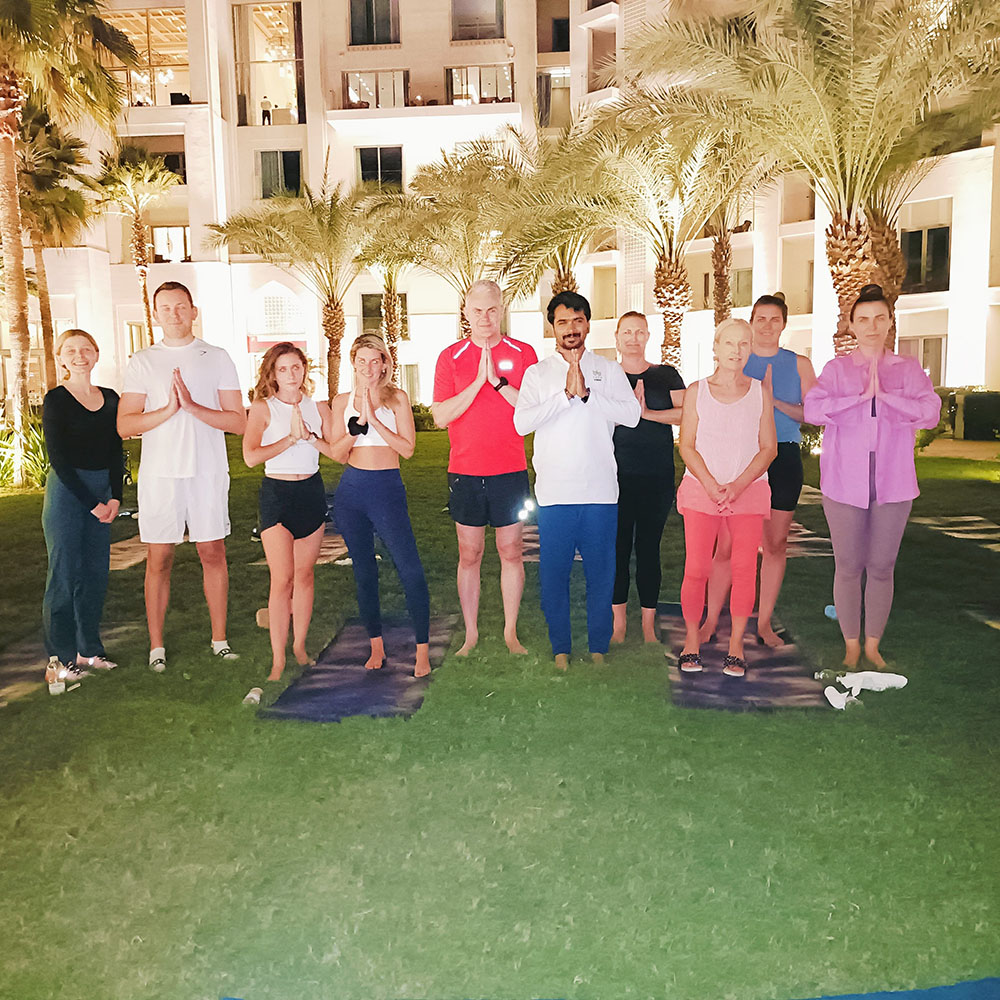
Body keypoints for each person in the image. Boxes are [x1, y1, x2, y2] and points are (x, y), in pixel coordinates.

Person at [803, 283, 941, 670]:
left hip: (893, 482)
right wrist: (860, 398)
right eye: (863, 319)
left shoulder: (907, 369)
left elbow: (930, 412)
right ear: (852, 325)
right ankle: (851, 645)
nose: (872, 326)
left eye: (880, 318)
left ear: (890, 322)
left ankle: (873, 645)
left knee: (881, 566)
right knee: (848, 565)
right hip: (844, 482)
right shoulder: (837, 370)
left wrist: (887, 397)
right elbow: (814, 409)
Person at [118, 281, 247, 673]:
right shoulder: (143, 361)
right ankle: (156, 646)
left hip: (207, 470)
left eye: (180, 306)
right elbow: (125, 425)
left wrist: (191, 407)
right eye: (165, 308)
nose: (173, 314)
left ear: (193, 311)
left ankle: (220, 640)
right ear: (155, 315)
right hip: (160, 474)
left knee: (212, 552)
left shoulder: (217, 357)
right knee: (159, 557)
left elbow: (238, 422)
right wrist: (169, 410)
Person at [513, 291, 640, 669]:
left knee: (602, 574)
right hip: (555, 495)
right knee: (554, 576)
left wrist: (588, 395)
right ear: (553, 327)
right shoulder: (537, 374)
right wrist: (564, 396)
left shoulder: (608, 370)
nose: (571, 328)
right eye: (563, 322)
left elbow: (632, 415)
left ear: (588, 324)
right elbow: (522, 423)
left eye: (578, 320)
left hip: (600, 493)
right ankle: (561, 649)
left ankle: (598, 646)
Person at [699, 292, 817, 647]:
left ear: (784, 324)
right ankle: (710, 620)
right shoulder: (739, 358)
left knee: (775, 544)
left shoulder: (799, 364)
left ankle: (764, 624)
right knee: (727, 545)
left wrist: (771, 399)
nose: (767, 326)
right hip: (742, 458)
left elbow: (813, 414)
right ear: (751, 323)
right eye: (760, 319)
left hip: (783, 456)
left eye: (774, 319)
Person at [432, 279, 538, 656]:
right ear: (466, 312)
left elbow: (533, 411)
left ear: (502, 309)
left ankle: (510, 632)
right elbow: (440, 416)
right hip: (465, 470)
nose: (485, 318)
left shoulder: (523, 353)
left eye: (492, 310)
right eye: (477, 311)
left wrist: (496, 383)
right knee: (469, 553)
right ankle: (471, 633)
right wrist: (478, 382)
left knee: (511, 550)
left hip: (509, 469)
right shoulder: (451, 357)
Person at [676, 318, 777, 677]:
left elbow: (769, 448)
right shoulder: (697, 391)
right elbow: (687, 445)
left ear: (751, 349)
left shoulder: (760, 393)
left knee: (744, 569)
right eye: (729, 343)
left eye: (744, 343)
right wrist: (709, 484)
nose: (736, 350)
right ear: (716, 348)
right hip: (701, 490)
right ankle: (692, 640)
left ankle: (736, 644)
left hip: (747, 491)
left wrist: (737, 485)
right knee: (696, 568)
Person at [330, 335, 431, 677]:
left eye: (376, 361)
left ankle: (422, 650)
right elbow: (336, 453)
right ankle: (376, 645)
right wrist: (355, 429)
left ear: (385, 363)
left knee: (409, 568)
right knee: (364, 571)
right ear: (353, 363)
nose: (369, 368)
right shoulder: (342, 401)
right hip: (352, 492)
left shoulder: (397, 398)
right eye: (362, 361)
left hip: (386, 489)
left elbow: (408, 449)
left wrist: (375, 420)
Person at [41, 329, 124, 686]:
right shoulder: (56, 400)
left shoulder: (111, 398)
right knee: (63, 576)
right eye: (71, 350)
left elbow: (115, 451)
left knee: (94, 576)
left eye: (86, 349)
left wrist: (115, 497)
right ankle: (59, 660)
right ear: (61, 358)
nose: (80, 356)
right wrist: (92, 504)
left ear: (96, 354)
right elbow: (58, 458)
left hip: (103, 493)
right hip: (68, 493)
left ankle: (89, 651)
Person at [242, 343, 330, 681]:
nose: (291, 374)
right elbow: (251, 456)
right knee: (282, 578)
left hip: (310, 492)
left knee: (305, 575)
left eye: (296, 367)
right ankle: (278, 659)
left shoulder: (318, 407)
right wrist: (290, 439)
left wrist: (311, 437)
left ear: (304, 369)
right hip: (277, 494)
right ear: (273, 374)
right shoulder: (263, 408)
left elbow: (337, 451)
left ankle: (299, 647)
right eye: (283, 369)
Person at [610, 311, 686, 644]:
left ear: (648, 336)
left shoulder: (665, 375)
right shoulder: (607, 376)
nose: (633, 338)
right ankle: (618, 625)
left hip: (656, 476)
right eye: (627, 332)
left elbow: (687, 413)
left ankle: (647, 625)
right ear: (616, 337)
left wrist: (647, 414)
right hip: (614, 477)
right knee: (618, 549)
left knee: (648, 549)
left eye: (639, 331)